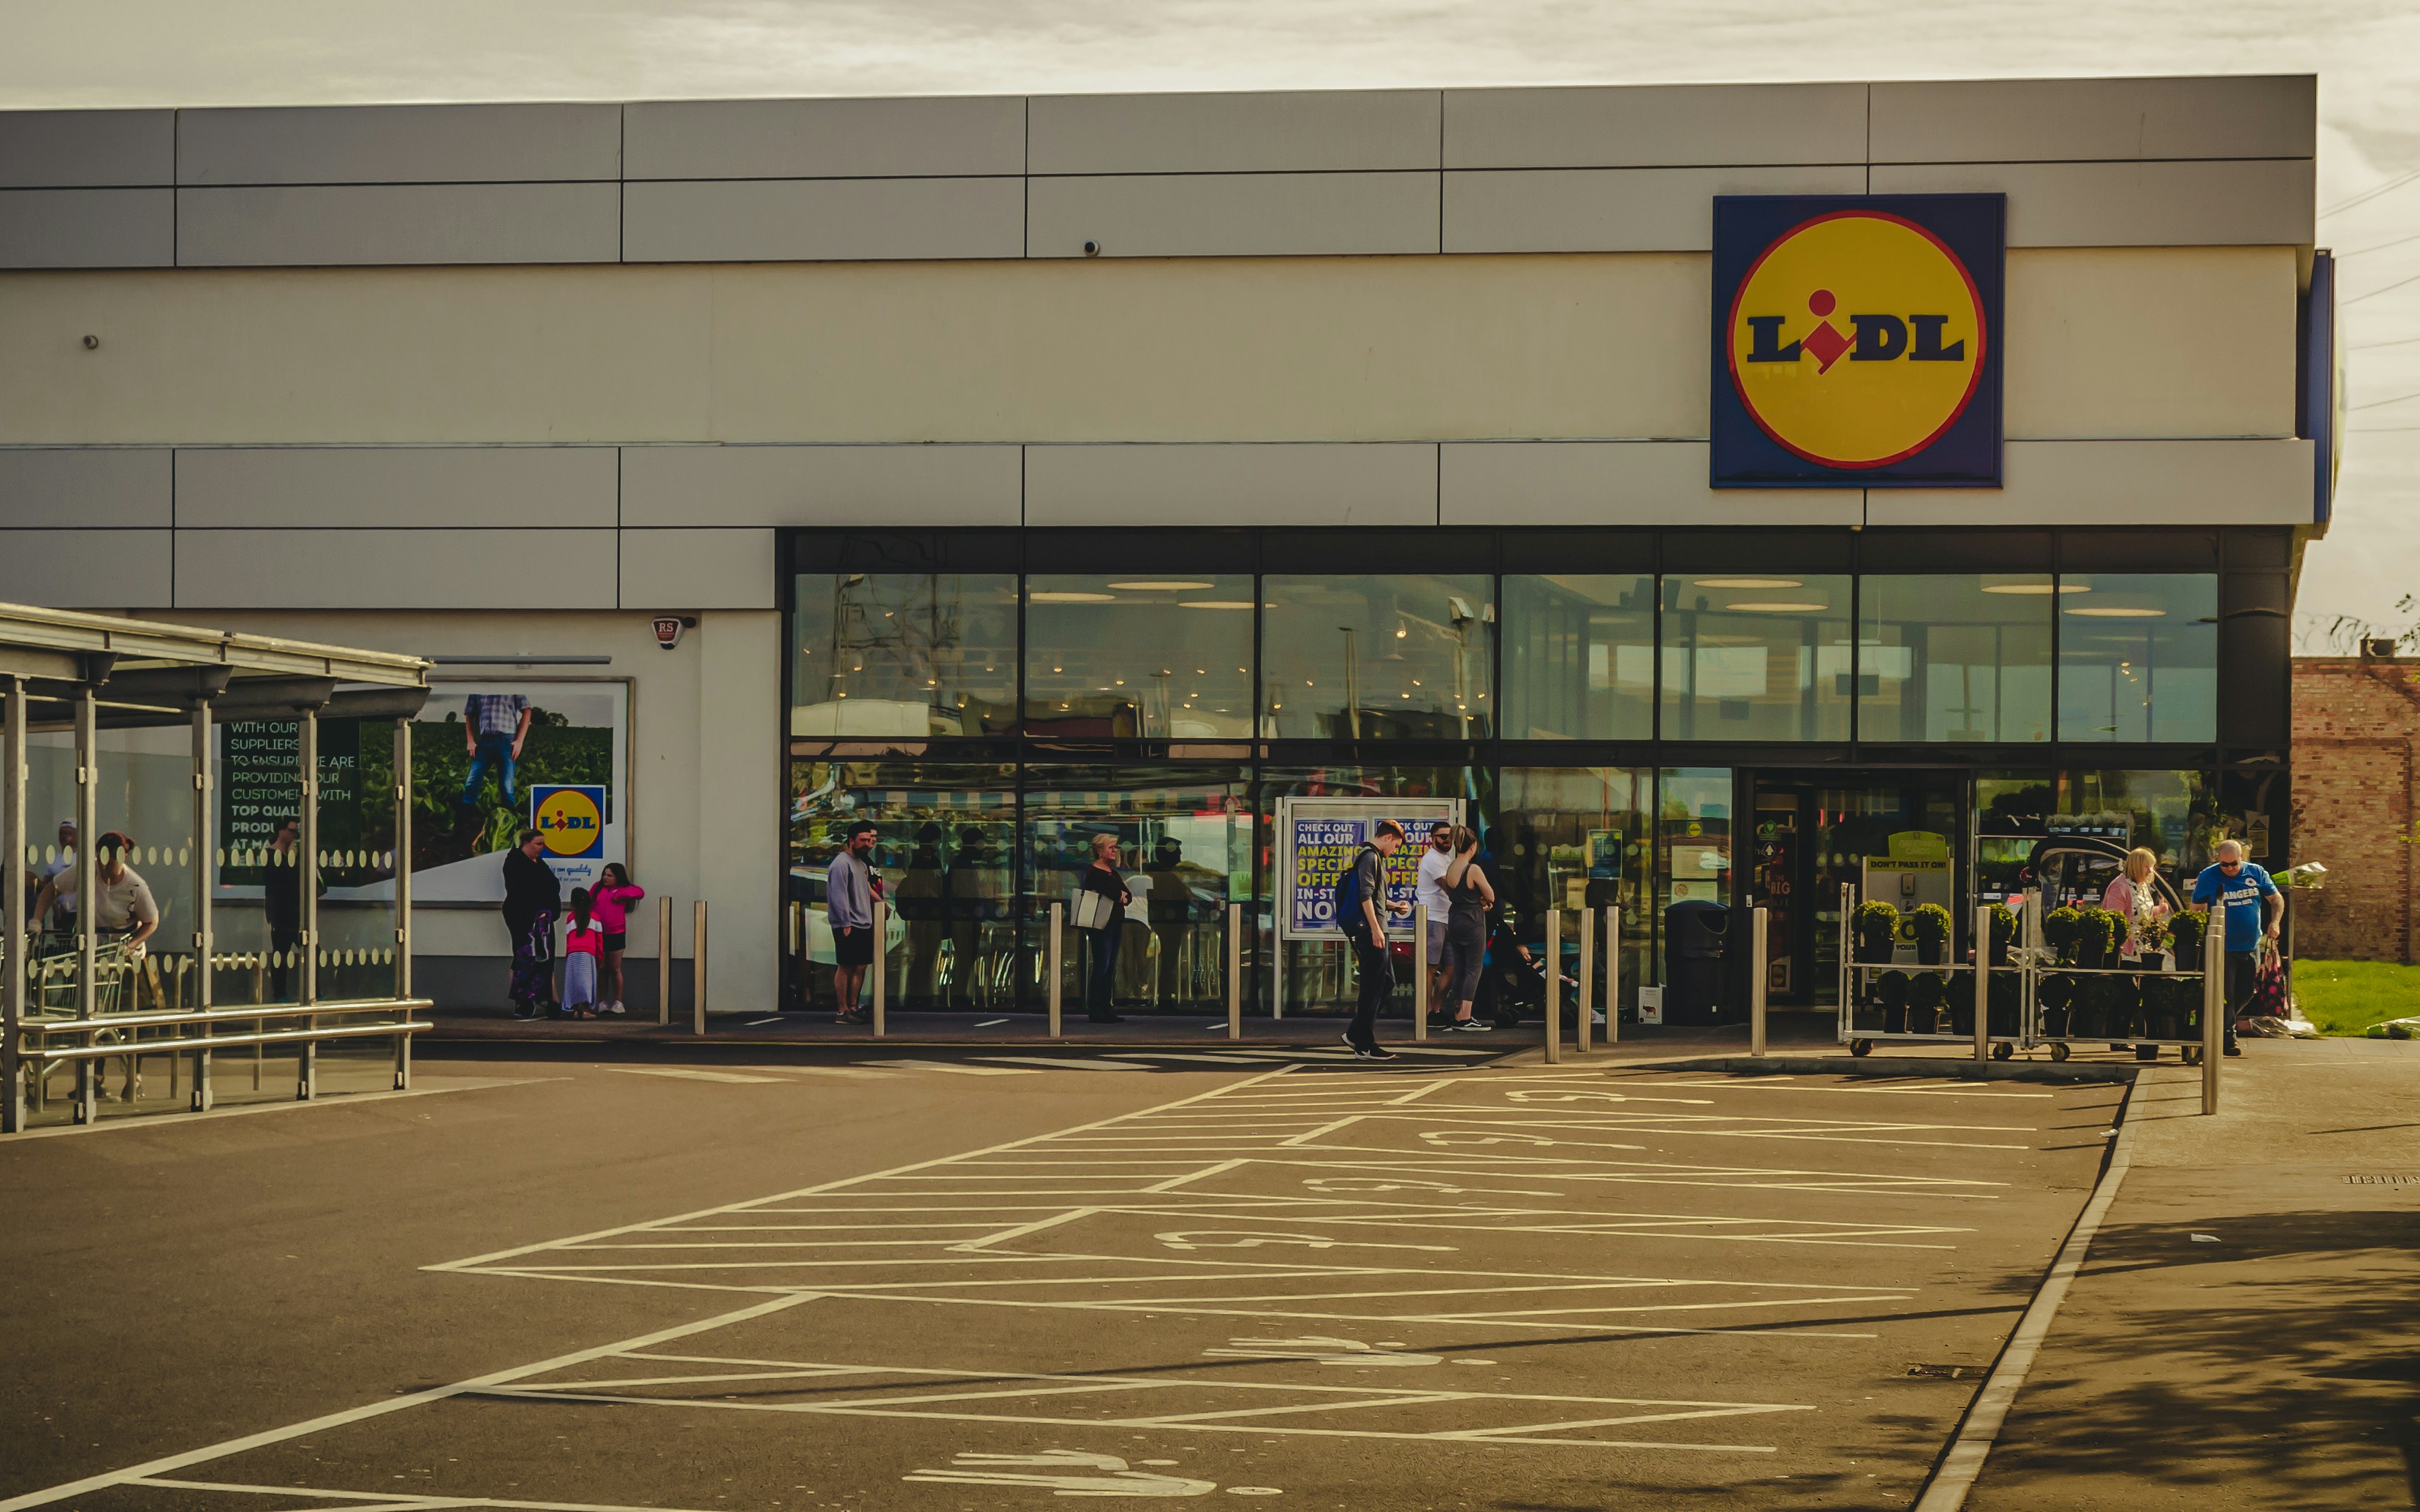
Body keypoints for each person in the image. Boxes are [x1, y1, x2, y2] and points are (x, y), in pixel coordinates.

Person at [2190, 839, 2280, 1059]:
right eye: (2225, 864)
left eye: (2234, 864)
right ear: (2218, 860)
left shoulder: (2257, 873)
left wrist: (2275, 922)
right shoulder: (2208, 876)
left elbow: (2276, 899)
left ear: (2242, 859)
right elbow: (2195, 908)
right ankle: (2228, 1040)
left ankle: (2214, 1024)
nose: (2230, 869)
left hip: (2250, 945)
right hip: (2223, 946)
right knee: (2227, 993)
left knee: (2247, 992)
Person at [1341, 820, 1412, 1060]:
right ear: (1389, 838)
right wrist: (1375, 930)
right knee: (1372, 988)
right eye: (1397, 846)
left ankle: (1355, 1032)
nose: (1395, 851)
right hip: (1371, 932)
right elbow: (1365, 896)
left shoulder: (1372, 858)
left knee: (1386, 983)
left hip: (1377, 929)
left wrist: (1393, 906)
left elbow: (1374, 897)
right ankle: (1364, 1044)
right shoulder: (1371, 857)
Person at [1438, 826, 1495, 1033]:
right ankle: (1466, 1017)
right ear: (1473, 846)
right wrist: (1483, 900)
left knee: (1460, 967)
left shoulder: (1452, 867)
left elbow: (1456, 891)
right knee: (1474, 968)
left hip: (1454, 919)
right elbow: (1490, 896)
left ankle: (1457, 1014)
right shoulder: (1473, 869)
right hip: (1472, 920)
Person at [501, 829, 561, 1019]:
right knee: (524, 954)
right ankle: (523, 999)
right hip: (524, 917)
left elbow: (550, 886)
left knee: (546, 956)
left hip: (543, 918)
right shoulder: (515, 862)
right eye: (538, 844)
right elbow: (520, 890)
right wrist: (537, 910)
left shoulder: (538, 862)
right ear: (526, 843)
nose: (542, 848)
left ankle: (550, 998)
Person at [827, 819, 878, 1025]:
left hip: (864, 922)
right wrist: (845, 923)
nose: (867, 844)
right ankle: (842, 1011)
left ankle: (853, 1007)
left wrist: (881, 902)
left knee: (860, 966)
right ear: (851, 841)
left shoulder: (861, 863)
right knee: (846, 966)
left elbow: (864, 887)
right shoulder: (841, 864)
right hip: (848, 924)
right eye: (863, 840)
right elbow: (837, 895)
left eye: (869, 840)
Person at [1079, 833, 1133, 1023]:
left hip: (1115, 922)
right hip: (1101, 925)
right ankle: (1096, 1009)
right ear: (1100, 851)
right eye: (1111, 848)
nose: (1114, 851)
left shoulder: (1113, 873)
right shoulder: (1094, 872)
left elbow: (1129, 895)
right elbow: (1109, 892)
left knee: (1110, 966)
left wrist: (1119, 895)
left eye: (1115, 847)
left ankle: (1107, 1007)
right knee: (1102, 965)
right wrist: (1119, 895)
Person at [459, 691, 534, 810]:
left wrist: (520, 740)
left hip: (506, 741)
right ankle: (462, 825)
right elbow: (469, 713)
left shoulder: (512, 685)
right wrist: (470, 740)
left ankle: (508, 822)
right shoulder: (477, 688)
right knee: (471, 784)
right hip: (484, 741)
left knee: (506, 788)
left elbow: (527, 710)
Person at [1414, 825, 1456, 1023]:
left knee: (1452, 967)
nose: (1447, 840)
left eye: (1451, 837)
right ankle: (1426, 1012)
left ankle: (1436, 1010)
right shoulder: (1432, 859)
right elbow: (1448, 886)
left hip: (1446, 918)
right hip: (1432, 918)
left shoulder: (1446, 859)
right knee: (1429, 967)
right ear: (1432, 838)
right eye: (1443, 837)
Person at [591, 862, 645, 1016]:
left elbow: (639, 892)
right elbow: (588, 901)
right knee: (602, 968)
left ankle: (618, 1002)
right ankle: (602, 1002)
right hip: (599, 933)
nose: (605, 878)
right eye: (604, 874)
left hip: (616, 933)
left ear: (617, 877)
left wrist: (620, 895)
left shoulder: (623, 889)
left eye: (610, 875)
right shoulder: (597, 887)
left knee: (614, 968)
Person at [1145, 836, 1192, 1009]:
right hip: (1169, 924)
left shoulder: (1158, 875)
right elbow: (1180, 898)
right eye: (1177, 850)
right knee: (1168, 962)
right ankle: (1165, 997)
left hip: (1164, 923)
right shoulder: (1168, 877)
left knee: (1165, 961)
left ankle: (1163, 995)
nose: (1180, 853)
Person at [262, 816, 305, 999]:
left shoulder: (292, 855)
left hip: (296, 910)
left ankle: (315, 991)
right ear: (281, 831)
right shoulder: (271, 855)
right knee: (281, 951)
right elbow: (280, 880)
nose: (294, 835)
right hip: (280, 912)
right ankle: (280, 993)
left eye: (296, 831)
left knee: (313, 950)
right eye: (291, 831)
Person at [561, 887, 604, 1017]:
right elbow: (599, 941)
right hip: (588, 954)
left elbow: (568, 938)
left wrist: (567, 954)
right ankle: (586, 1010)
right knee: (587, 981)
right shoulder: (595, 918)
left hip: (572, 954)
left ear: (573, 903)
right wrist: (600, 958)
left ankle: (574, 1010)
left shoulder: (570, 918)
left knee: (573, 981)